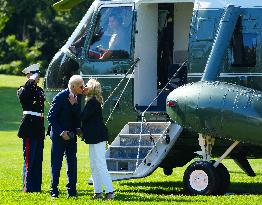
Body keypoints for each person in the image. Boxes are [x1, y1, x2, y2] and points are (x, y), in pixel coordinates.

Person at [70, 79, 114, 200]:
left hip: (98, 136)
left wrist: (74, 104)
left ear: (92, 89)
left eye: (86, 86)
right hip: (95, 136)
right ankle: (98, 192)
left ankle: (110, 191)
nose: (84, 87)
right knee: (94, 164)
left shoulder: (93, 102)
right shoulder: (91, 101)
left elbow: (82, 117)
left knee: (99, 164)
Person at [47, 75, 84, 198]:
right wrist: (61, 132)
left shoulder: (79, 96)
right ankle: (54, 190)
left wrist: (78, 127)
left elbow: (77, 115)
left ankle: (72, 191)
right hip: (59, 136)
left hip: (72, 136)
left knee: (72, 163)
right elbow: (51, 117)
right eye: (81, 86)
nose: (83, 88)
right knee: (56, 163)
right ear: (73, 87)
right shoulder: (60, 97)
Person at [17, 63, 45, 192]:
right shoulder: (23, 89)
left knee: (38, 158)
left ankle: (36, 187)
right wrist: (31, 80)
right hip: (29, 126)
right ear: (29, 75)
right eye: (35, 75)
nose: (38, 77)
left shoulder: (39, 90)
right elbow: (26, 95)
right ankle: (28, 187)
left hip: (38, 125)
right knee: (29, 158)